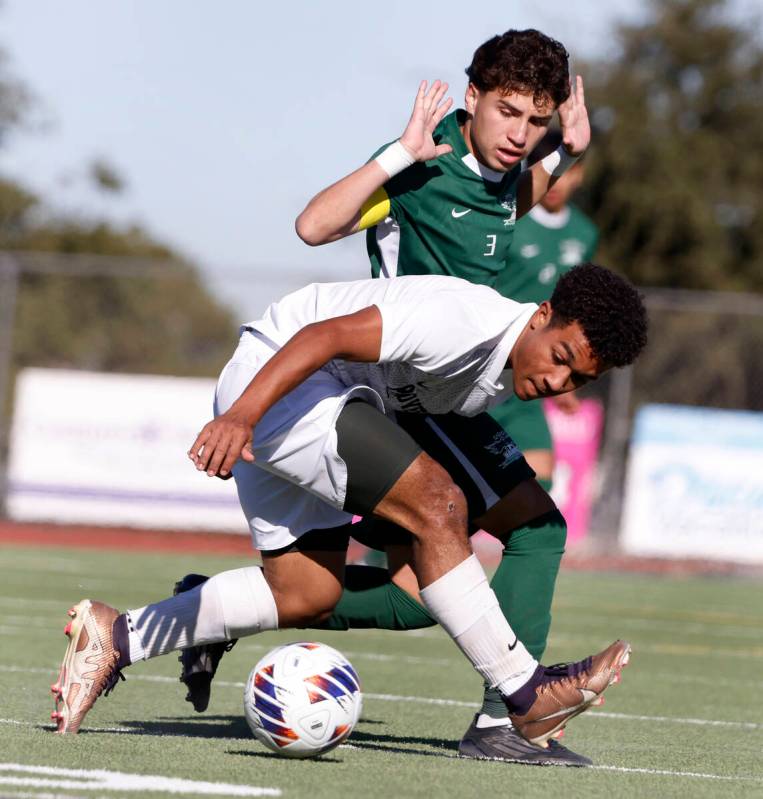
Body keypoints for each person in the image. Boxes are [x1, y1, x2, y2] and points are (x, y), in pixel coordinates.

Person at [174, 28, 605, 766]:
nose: (520, 135)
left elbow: (508, 202)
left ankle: (212, 610)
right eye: (508, 113)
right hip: (404, 393)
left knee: (412, 597)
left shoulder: (506, 169)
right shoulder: (426, 168)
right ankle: (506, 715)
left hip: (459, 387)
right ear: (471, 96)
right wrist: (396, 154)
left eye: (535, 122)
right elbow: (314, 225)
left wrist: (569, 150)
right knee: (536, 526)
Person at [51, 266, 646, 742]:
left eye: (578, 379)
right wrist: (241, 416)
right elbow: (324, 335)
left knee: (306, 593)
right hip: (284, 380)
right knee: (438, 505)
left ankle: (116, 636)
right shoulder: (465, 322)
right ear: (542, 316)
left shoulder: (507, 363)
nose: (558, 381)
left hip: (315, 396)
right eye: (561, 357)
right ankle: (524, 691)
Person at [491, 128, 599, 484]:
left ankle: (451, 537)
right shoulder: (508, 218)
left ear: (579, 175)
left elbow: (577, 310)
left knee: (539, 478)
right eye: (547, 168)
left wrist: (570, 380)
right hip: (486, 360)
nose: (556, 180)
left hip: (528, 378)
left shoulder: (584, 234)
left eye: (566, 171)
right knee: (448, 487)